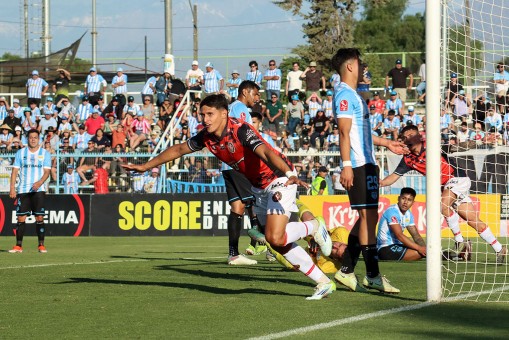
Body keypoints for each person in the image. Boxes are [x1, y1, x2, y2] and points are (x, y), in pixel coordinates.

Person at [122, 94, 336, 300]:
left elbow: (266, 152)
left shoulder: (241, 130)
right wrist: (145, 166)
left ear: (224, 113)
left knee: (274, 237)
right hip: (258, 187)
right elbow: (178, 149)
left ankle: (314, 227)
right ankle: (323, 282)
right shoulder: (206, 137)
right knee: (278, 243)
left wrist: (290, 173)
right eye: (202, 115)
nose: (204, 119)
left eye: (209, 114)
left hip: (279, 178)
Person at [332, 47, 407, 294]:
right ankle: (372, 275)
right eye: (360, 63)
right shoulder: (343, 94)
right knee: (367, 218)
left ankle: (346, 270)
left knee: (368, 217)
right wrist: (346, 166)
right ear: (350, 66)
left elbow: (359, 132)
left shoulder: (353, 95)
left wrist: (387, 143)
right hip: (358, 165)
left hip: (368, 163)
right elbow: (343, 132)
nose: (363, 67)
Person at [380, 124, 508, 264]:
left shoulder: (432, 146)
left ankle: (459, 241)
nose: (408, 139)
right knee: (473, 220)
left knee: (442, 205)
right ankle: (499, 248)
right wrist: (379, 182)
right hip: (448, 187)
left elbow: (458, 146)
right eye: (405, 137)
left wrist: (481, 142)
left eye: (411, 135)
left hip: (457, 178)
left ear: (418, 136)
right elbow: (391, 178)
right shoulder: (407, 159)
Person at [8, 129, 51, 253]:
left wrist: (39, 182)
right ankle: (18, 246)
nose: (33, 139)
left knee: (39, 217)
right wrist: (12, 188)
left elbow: (47, 172)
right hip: (23, 190)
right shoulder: (20, 153)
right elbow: (15, 171)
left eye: (35, 137)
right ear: (27, 139)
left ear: (39, 139)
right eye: (31, 137)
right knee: (21, 218)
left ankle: (41, 245)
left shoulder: (45, 153)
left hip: (39, 189)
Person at [377, 187, 426, 261]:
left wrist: (425, 249)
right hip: (385, 248)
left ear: (413, 202)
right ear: (398, 198)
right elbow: (399, 235)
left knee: (423, 251)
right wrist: (420, 249)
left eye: (409, 200)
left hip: (398, 245)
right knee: (418, 252)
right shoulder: (392, 211)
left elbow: (416, 236)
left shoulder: (408, 214)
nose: (405, 202)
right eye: (403, 198)